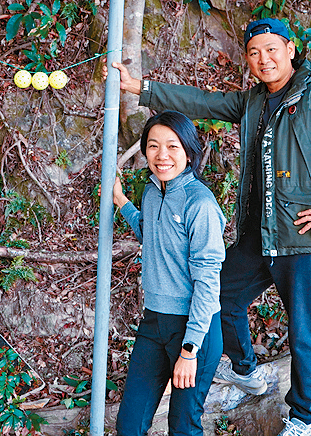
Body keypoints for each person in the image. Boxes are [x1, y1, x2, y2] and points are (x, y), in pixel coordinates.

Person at [107, 18, 311, 436]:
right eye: (254, 52)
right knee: (221, 295)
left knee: (305, 332)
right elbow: (204, 102)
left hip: (306, 240)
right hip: (261, 236)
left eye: (271, 49)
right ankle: (245, 370)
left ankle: (303, 417)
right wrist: (141, 89)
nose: (263, 59)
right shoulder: (254, 101)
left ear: (291, 49)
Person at [112, 111, 225, 436]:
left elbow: (208, 281)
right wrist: (121, 201)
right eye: (153, 146)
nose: (162, 155)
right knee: (129, 424)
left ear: (189, 152)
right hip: (154, 322)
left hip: (194, 330)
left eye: (172, 146)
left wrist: (189, 350)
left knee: (183, 427)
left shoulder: (199, 204)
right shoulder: (152, 192)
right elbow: (150, 232)